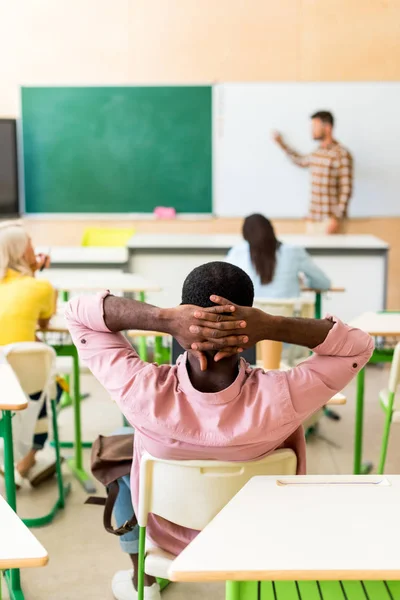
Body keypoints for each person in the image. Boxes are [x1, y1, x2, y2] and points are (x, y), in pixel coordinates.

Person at [65, 261, 373, 600]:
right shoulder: (283, 397)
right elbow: (358, 346)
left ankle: (145, 581)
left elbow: (79, 313)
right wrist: (271, 325)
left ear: (182, 320)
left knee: (120, 458)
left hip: (167, 542)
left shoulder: (140, 390)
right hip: (257, 538)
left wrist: (164, 319)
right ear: (250, 331)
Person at [0, 222, 59, 485]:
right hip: (21, 382)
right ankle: (27, 459)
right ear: (23, 253)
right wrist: (35, 274)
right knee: (53, 388)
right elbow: (45, 321)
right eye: (30, 245)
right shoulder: (40, 287)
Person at [272, 111, 353, 234]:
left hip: (330, 222)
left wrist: (337, 218)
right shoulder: (317, 153)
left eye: (315, 126)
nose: (312, 130)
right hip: (313, 220)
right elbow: (300, 160)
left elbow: (346, 189)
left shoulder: (341, 154)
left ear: (327, 127)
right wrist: (282, 144)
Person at [227, 213, 331, 298]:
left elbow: (222, 282)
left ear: (245, 235)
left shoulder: (237, 252)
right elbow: (323, 283)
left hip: (251, 321)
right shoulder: (293, 252)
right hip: (287, 321)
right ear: (272, 230)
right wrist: (304, 282)